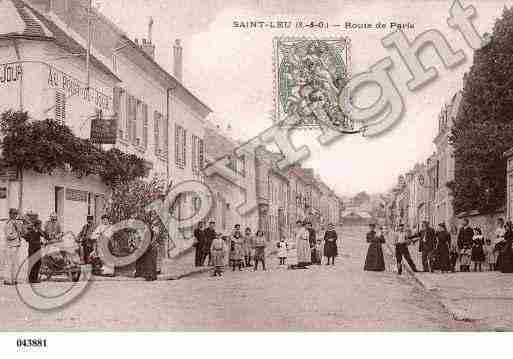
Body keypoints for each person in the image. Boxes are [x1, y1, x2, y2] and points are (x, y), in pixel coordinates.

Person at [24, 219, 47, 283]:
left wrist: (41, 242)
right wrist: (36, 242)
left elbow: (45, 235)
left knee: (38, 263)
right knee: (32, 264)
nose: (41, 226)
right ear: (36, 225)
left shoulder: (39, 231)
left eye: (41, 225)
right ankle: (30, 279)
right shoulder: (31, 231)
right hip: (32, 250)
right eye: (40, 225)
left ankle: (35, 278)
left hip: (38, 249)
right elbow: (26, 237)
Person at [3, 208, 23, 285]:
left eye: (16, 214)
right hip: (10, 246)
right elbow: (8, 236)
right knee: (9, 263)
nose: (15, 215)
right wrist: (17, 235)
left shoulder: (16, 223)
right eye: (14, 214)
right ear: (10, 214)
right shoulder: (8, 224)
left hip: (16, 245)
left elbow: (20, 231)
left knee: (15, 263)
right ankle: (7, 280)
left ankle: (14, 279)